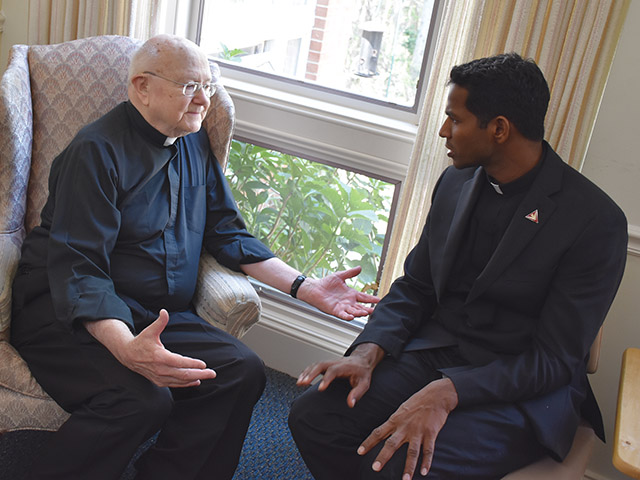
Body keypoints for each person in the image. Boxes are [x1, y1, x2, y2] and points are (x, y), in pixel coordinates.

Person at [10, 34, 378, 480]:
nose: (205, 99)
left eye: (207, 84)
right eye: (189, 87)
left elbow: (226, 230)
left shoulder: (192, 140)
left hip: (150, 313)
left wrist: (305, 287)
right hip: (63, 309)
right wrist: (127, 348)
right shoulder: (95, 152)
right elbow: (80, 270)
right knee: (140, 400)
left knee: (241, 372)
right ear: (142, 87)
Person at [289, 53, 628, 479]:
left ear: (499, 129)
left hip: (518, 388)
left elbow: (554, 360)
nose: (443, 131)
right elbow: (416, 287)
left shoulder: (595, 222)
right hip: (434, 351)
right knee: (314, 415)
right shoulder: (455, 181)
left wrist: (450, 391)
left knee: (404, 464)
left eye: (455, 119)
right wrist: (367, 351)